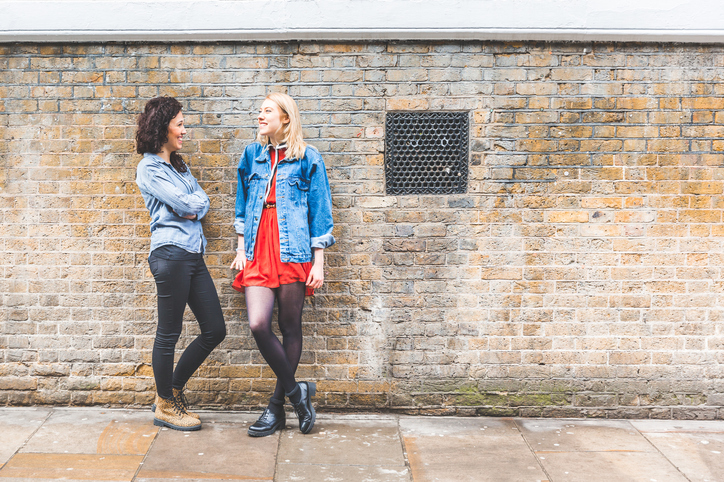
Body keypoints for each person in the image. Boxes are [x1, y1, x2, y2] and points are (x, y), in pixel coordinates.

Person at [231, 92, 334, 437]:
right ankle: (297, 393)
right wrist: (241, 248)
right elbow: (242, 205)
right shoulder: (252, 155)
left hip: (294, 249)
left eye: (267, 111)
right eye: (259, 111)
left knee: (290, 326)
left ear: (286, 118)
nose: (260, 116)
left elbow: (320, 213)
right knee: (259, 324)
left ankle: (275, 408)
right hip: (258, 247)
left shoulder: (308, 157)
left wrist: (319, 263)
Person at [135, 96, 226, 431]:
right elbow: (185, 205)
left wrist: (192, 205)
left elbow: (200, 203)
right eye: (180, 124)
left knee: (215, 329)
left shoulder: (178, 166)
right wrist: (190, 205)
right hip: (170, 254)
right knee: (169, 333)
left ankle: (170, 390)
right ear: (164, 128)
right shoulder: (149, 168)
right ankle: (165, 405)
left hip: (192, 253)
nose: (185, 131)